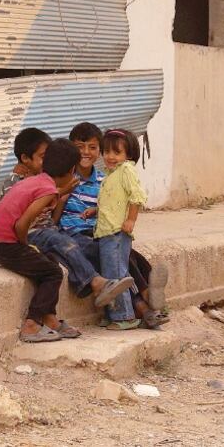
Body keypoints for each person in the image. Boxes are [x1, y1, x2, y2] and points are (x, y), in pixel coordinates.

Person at [0, 130, 134, 321]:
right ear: (72, 169)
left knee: (74, 250)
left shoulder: (42, 182)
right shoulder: (39, 186)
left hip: (39, 232)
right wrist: (23, 246)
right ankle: (95, 284)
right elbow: (20, 222)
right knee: (64, 249)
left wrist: (62, 196)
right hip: (28, 235)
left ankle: (134, 298)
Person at [61, 122, 169, 328]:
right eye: (79, 147)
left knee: (122, 256)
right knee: (115, 258)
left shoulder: (107, 177)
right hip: (81, 234)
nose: (86, 152)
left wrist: (127, 219)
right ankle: (146, 303)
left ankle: (142, 306)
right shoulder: (64, 177)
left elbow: (125, 200)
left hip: (102, 231)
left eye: (92, 147)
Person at [93, 129, 149, 331]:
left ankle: (124, 316)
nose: (110, 157)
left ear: (128, 155)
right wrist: (95, 210)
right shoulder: (110, 175)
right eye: (106, 151)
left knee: (116, 275)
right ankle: (114, 313)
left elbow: (136, 197)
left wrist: (131, 220)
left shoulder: (126, 170)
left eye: (116, 153)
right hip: (106, 233)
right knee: (112, 275)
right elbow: (112, 201)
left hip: (117, 233)